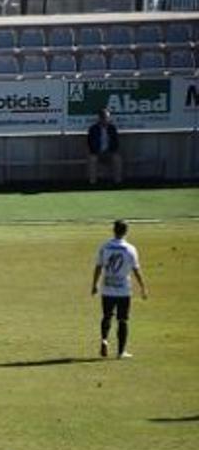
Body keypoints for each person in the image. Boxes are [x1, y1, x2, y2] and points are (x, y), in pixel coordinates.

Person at [91, 219, 148, 359]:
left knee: (106, 316)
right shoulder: (130, 249)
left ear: (113, 230)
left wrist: (95, 285)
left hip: (107, 288)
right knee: (122, 320)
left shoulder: (105, 246)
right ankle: (121, 351)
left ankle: (104, 339)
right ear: (126, 231)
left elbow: (98, 266)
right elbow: (136, 270)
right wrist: (143, 287)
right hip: (123, 290)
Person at [87, 108, 123, 186]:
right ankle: (92, 183)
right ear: (99, 118)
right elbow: (90, 143)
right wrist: (97, 151)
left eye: (107, 117)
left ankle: (117, 182)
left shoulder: (112, 128)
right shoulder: (93, 129)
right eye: (103, 118)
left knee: (117, 158)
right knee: (92, 159)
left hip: (110, 152)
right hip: (97, 153)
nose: (105, 119)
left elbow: (116, 143)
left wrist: (110, 151)